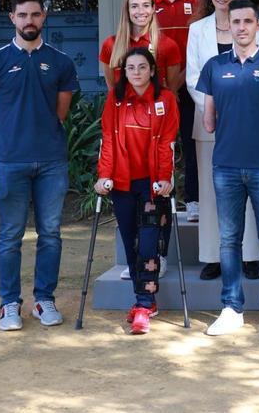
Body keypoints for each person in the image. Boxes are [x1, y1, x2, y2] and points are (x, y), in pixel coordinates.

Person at [0, 0, 80, 331]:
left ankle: (43, 300)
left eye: (35, 15)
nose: (29, 21)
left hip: (51, 162)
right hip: (10, 162)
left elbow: (60, 112)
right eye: (22, 15)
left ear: (43, 17)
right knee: (10, 236)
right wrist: (16, 130)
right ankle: (9, 304)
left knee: (51, 233)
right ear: (12, 19)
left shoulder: (61, 62)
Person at [198, 0, 259, 337]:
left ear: (258, 26)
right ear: (228, 25)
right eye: (235, 21)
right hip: (225, 166)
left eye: (247, 21)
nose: (240, 27)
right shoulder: (213, 66)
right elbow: (208, 121)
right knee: (228, 241)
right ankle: (231, 308)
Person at [186, 0, 259, 281]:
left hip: (247, 116)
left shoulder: (252, 24)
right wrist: (211, 107)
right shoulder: (197, 30)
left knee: (247, 186)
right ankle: (213, 257)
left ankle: (249, 255)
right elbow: (194, 75)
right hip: (208, 117)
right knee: (210, 191)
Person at [96, 47, 180, 335]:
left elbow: (167, 142)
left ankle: (143, 304)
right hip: (122, 182)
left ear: (152, 70)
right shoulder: (115, 99)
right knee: (131, 243)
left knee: (147, 245)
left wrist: (165, 177)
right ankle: (145, 299)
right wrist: (103, 175)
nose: (136, 73)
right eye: (130, 68)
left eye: (142, 67)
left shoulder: (165, 99)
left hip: (152, 184)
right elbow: (107, 139)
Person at [150, 0, 201, 221]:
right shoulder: (149, 4)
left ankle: (193, 200)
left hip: (190, 85)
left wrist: (179, 81)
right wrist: (166, 87)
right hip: (158, 89)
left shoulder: (196, 3)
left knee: (192, 145)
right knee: (160, 145)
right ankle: (158, 201)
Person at [99, 0, 183, 91]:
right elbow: (112, 90)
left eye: (146, 5)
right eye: (134, 6)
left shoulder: (168, 45)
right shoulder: (110, 45)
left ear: (153, 9)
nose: (141, 11)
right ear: (127, 10)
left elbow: (172, 91)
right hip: (124, 106)